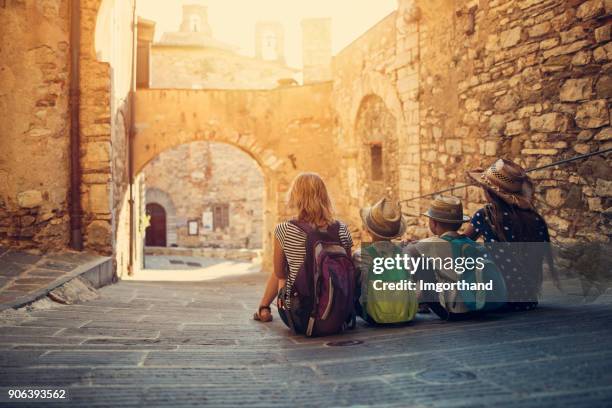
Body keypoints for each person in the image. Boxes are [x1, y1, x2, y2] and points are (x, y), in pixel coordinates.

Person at [253, 172, 353, 323]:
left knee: (283, 268)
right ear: (324, 196)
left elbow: (280, 273)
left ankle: (263, 307)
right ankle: (264, 307)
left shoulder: (284, 229)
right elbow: (348, 266)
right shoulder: (342, 229)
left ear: (295, 197)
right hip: (338, 312)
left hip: (299, 316)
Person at [464, 158, 552, 311]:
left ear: (490, 193)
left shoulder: (486, 215)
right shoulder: (534, 219)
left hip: (498, 299)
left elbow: (461, 243)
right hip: (527, 300)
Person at [354, 198, 417, 324]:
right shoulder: (405, 253)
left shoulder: (361, 254)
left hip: (373, 316)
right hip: (405, 314)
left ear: (368, 230)